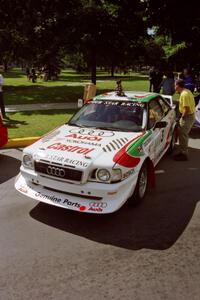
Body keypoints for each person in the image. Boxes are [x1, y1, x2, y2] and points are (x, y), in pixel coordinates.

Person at [173, 79, 195, 161]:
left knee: (183, 135)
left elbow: (186, 109)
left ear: (178, 86)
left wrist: (181, 118)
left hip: (187, 117)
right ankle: (182, 152)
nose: (174, 86)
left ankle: (184, 154)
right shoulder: (187, 91)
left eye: (174, 85)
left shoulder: (184, 94)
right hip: (190, 116)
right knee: (183, 135)